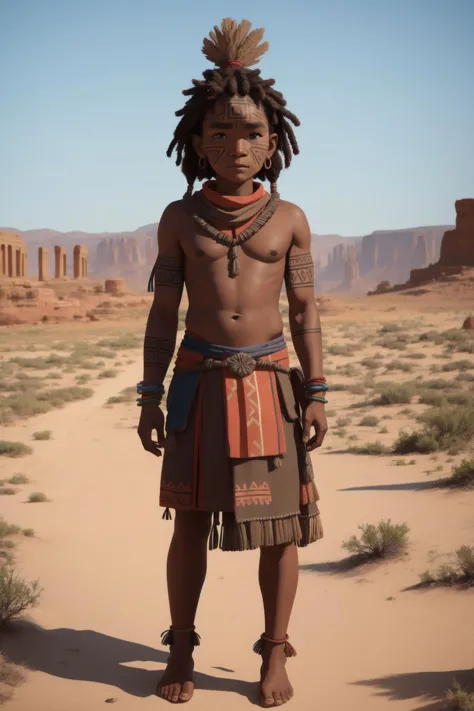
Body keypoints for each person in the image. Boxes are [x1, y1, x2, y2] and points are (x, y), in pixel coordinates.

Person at [137, 18, 328, 707]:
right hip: (196, 383)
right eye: (219, 133)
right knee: (189, 519)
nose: (236, 146)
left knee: (283, 529)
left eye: (250, 134)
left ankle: (274, 653)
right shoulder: (178, 219)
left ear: (274, 142)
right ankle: (182, 643)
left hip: (271, 384)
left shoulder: (291, 219)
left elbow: (305, 312)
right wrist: (148, 394)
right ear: (196, 142)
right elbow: (164, 313)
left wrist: (318, 391)